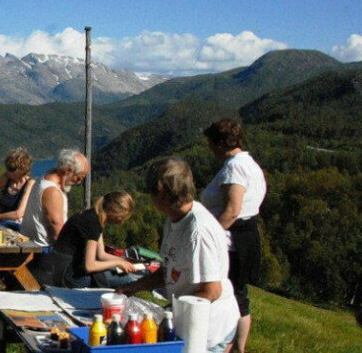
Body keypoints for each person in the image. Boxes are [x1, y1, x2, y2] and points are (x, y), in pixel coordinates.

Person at [118, 157, 239, 353]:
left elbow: (211, 290)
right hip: (189, 319)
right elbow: (168, 270)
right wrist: (130, 288)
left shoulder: (198, 231)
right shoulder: (174, 219)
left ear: (161, 193)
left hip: (210, 329)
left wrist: (170, 317)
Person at [199, 119, 266, 353]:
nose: (209, 148)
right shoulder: (248, 163)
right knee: (239, 295)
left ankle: (228, 345)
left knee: (229, 296)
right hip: (243, 238)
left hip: (231, 242)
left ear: (219, 143)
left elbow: (232, 209)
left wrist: (209, 237)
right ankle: (237, 347)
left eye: (210, 143)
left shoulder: (234, 167)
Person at [20, 149, 89, 282]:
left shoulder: (45, 178)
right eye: (79, 177)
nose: (79, 182)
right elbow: (59, 234)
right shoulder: (52, 192)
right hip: (43, 256)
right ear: (68, 170)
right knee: (88, 277)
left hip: (34, 250)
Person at [46, 191, 138, 288]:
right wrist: (118, 263)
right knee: (127, 279)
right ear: (112, 210)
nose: (122, 222)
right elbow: (90, 266)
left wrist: (125, 261)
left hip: (59, 268)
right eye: (121, 217)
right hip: (69, 277)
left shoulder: (92, 216)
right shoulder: (93, 224)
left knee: (116, 272)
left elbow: (101, 255)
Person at [0, 147, 36, 231]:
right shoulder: (6, 178)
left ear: (22, 169)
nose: (8, 171)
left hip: (18, 226)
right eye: (7, 167)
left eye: (11, 169)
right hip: (1, 222)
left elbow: (19, 213)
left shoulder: (29, 183)